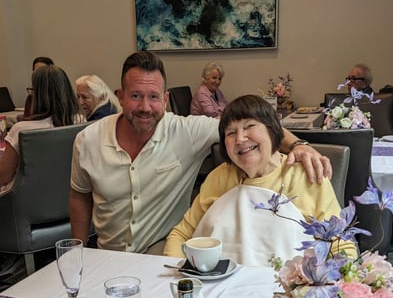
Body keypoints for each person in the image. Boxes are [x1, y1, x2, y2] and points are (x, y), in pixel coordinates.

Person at [70, 51, 331, 254]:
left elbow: (249, 124)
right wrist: (78, 254)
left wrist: (300, 146)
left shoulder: (186, 132)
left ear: (166, 99)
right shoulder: (88, 140)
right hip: (108, 254)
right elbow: (80, 197)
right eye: (136, 95)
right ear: (120, 96)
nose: (145, 107)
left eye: (153, 97)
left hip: (158, 250)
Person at [164, 95, 357, 265]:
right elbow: (181, 234)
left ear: (273, 130)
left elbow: (341, 246)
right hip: (217, 289)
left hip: (288, 295)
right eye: (230, 133)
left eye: (249, 126)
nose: (240, 138)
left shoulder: (306, 175)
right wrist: (175, 279)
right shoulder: (219, 177)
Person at [0, 64, 83, 189]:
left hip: (25, 202)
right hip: (67, 197)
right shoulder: (79, 122)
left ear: (37, 95)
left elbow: (2, 178)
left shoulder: (21, 129)